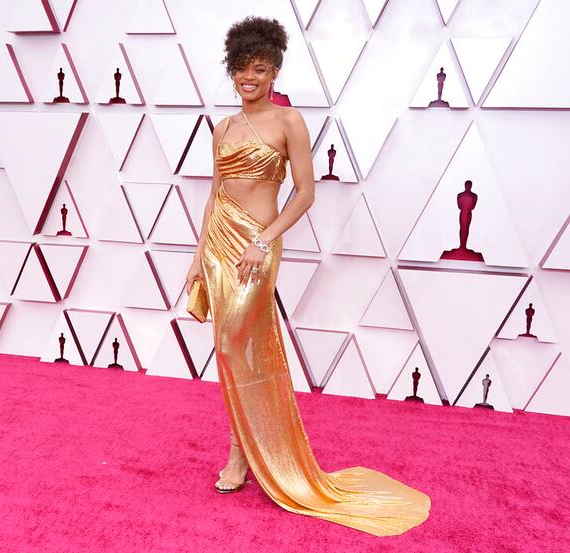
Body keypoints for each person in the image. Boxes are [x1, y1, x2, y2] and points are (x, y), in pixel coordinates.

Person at [183, 15, 430, 537]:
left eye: (260, 68)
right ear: (231, 70)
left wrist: (263, 240)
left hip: (258, 242)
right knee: (228, 350)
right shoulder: (223, 128)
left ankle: (243, 452)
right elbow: (214, 194)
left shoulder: (288, 121)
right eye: (241, 68)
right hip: (220, 243)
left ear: (274, 71)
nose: (249, 77)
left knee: (233, 344)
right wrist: (197, 254)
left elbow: (305, 193)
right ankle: (242, 450)